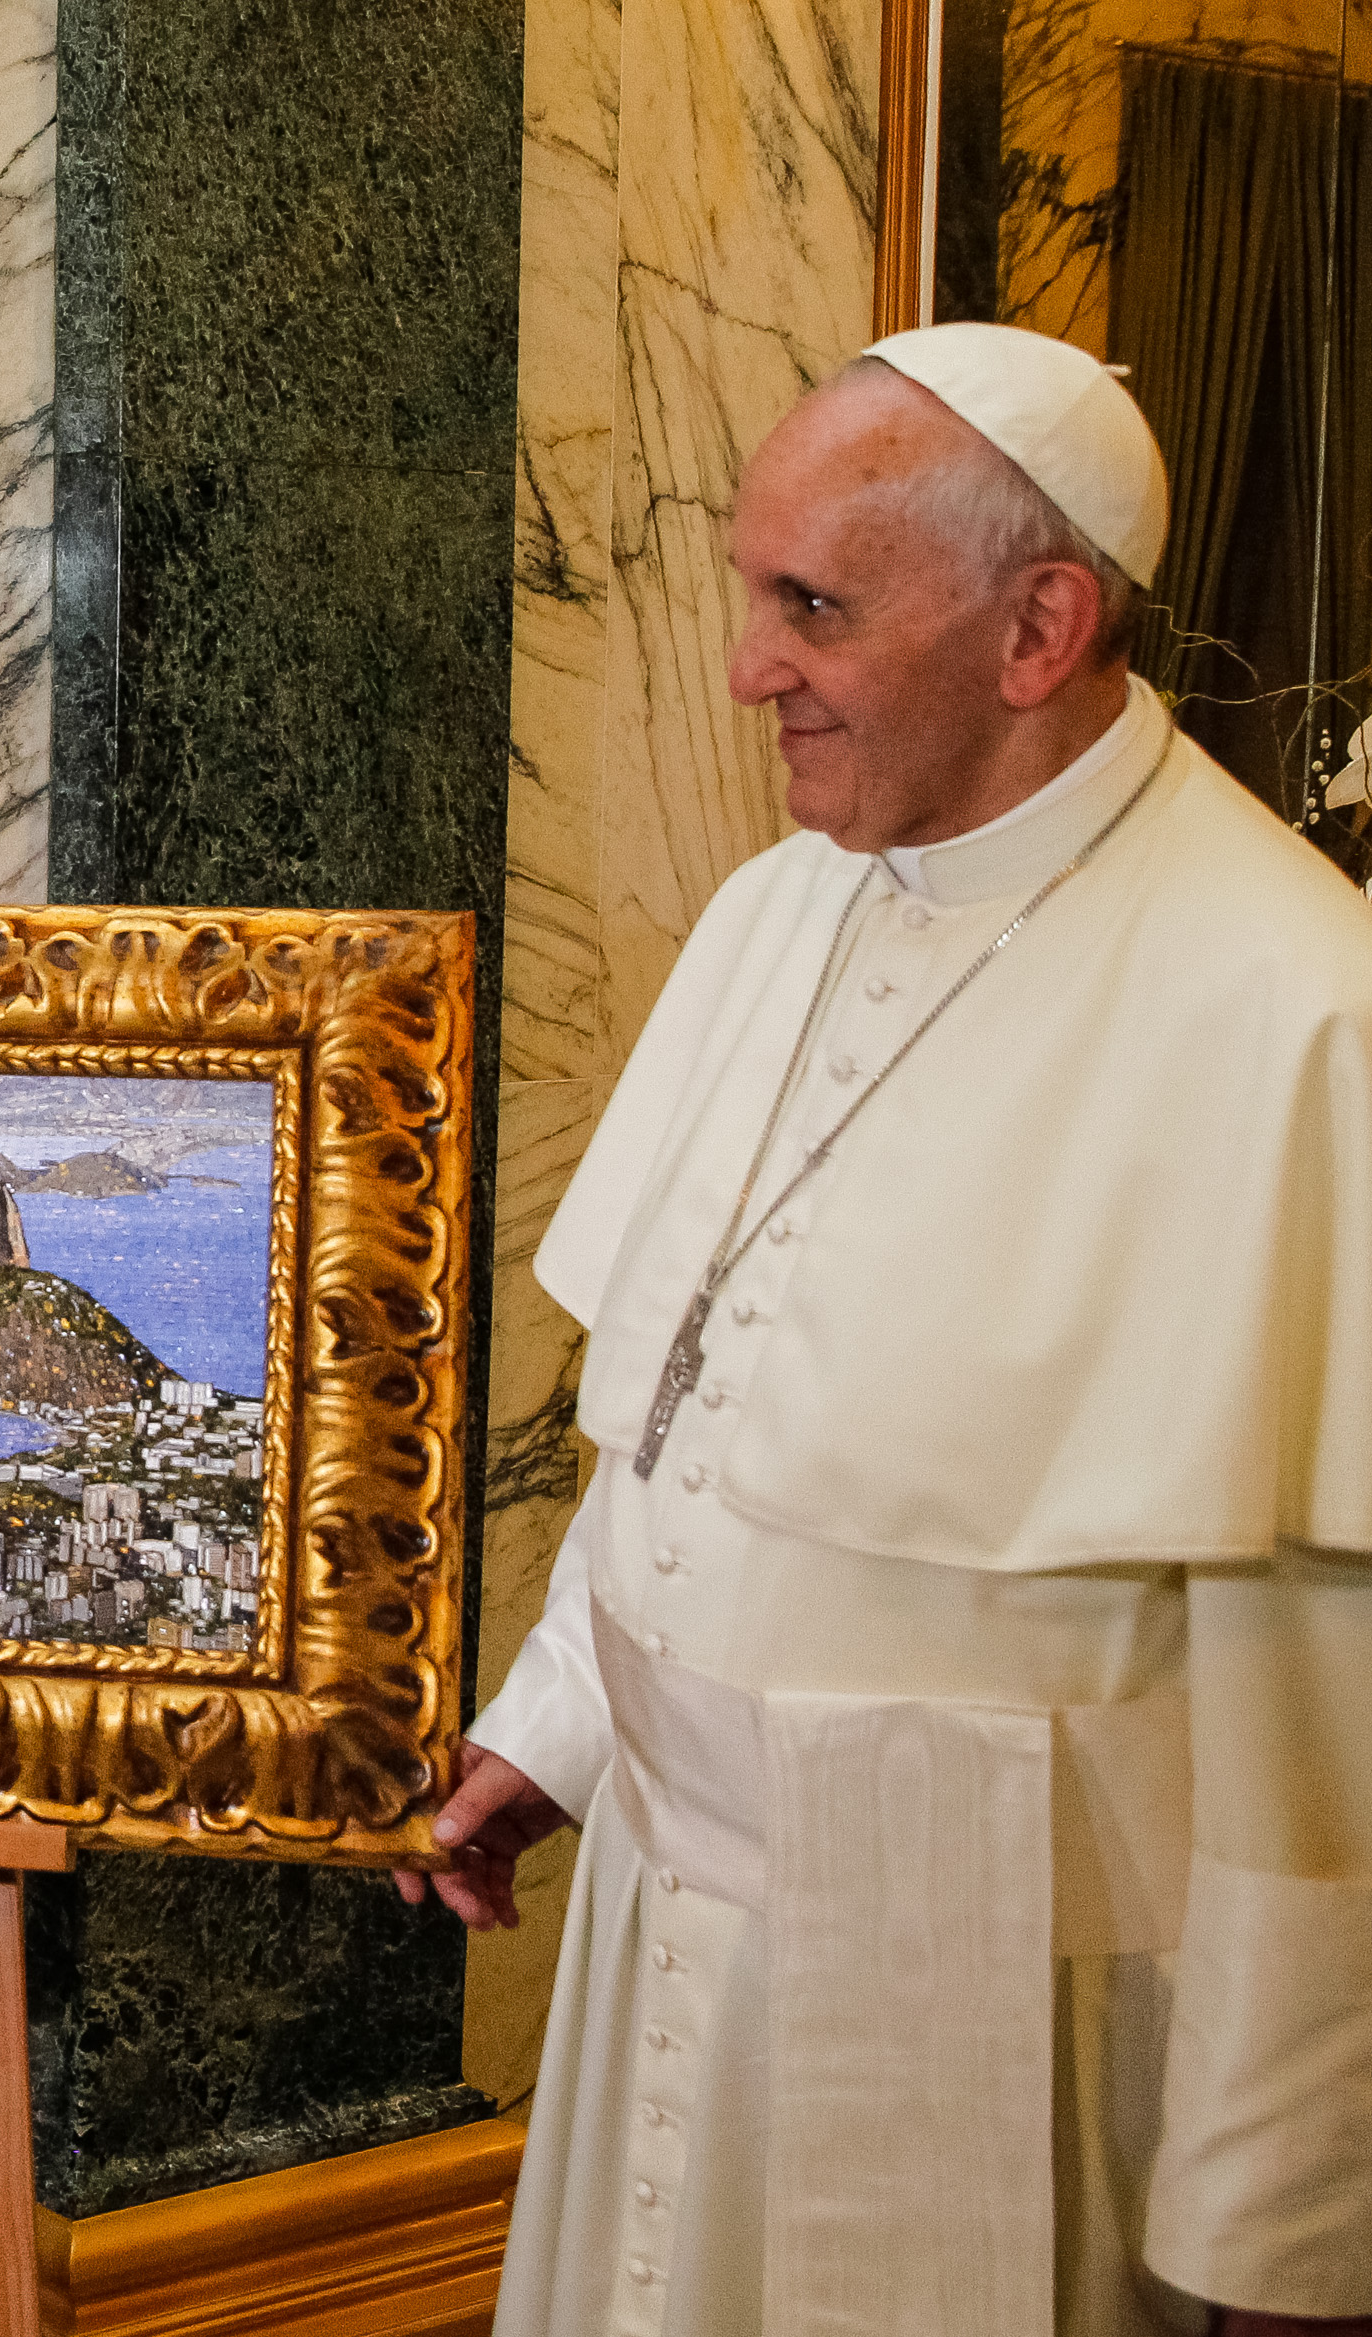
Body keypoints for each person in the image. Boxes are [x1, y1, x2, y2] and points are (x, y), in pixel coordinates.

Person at [404, 326, 1372, 2336]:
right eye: (750, 594)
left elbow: (1325, 1726)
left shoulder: (1298, 1011)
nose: (745, 667)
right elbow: (679, 1408)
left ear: (1037, 627)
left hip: (986, 2001)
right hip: (664, 1915)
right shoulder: (776, 908)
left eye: (811, 607)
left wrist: (1286, 2233)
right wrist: (560, 1717)